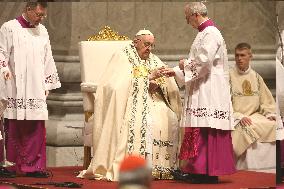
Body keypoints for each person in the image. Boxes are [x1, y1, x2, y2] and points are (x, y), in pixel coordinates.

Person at [78, 29, 182, 181]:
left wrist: (158, 84)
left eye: (152, 45)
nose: (150, 49)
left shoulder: (153, 59)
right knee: (144, 120)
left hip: (152, 100)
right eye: (147, 44)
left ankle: (160, 168)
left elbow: (167, 81)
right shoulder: (122, 57)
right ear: (136, 42)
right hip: (127, 103)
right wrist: (146, 79)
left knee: (169, 116)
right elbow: (113, 86)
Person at [162, 2, 236, 183]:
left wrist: (183, 65)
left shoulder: (211, 33)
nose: (188, 22)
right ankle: (198, 171)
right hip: (203, 86)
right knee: (200, 128)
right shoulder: (204, 33)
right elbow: (199, 62)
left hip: (209, 90)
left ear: (195, 15)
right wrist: (176, 71)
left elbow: (203, 62)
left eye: (187, 18)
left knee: (205, 129)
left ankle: (204, 173)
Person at [0, 1, 61, 177]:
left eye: (43, 15)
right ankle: (9, 166)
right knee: (14, 124)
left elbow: (47, 57)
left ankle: (34, 167)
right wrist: (4, 69)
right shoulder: (9, 28)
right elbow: (1, 52)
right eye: (39, 14)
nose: (41, 19)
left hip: (35, 85)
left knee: (35, 126)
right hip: (14, 85)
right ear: (28, 9)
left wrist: (47, 83)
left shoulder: (42, 30)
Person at [230, 43, 276, 170]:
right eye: (237, 55)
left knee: (273, 124)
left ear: (250, 56)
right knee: (248, 127)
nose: (239, 58)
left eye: (243, 55)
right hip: (236, 117)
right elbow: (223, 103)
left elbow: (266, 101)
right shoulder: (227, 77)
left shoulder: (256, 77)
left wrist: (270, 114)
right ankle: (248, 167)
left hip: (255, 115)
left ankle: (269, 167)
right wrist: (238, 116)